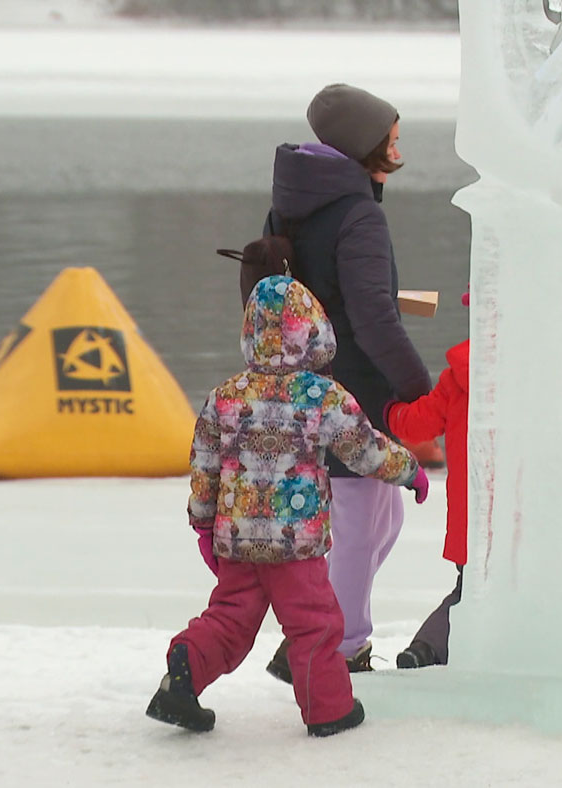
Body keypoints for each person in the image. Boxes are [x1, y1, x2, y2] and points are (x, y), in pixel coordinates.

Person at [145, 275, 429, 737]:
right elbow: (364, 450)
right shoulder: (321, 396)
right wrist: (409, 471)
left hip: (237, 540)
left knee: (230, 620)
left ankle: (185, 667)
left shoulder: (226, 397)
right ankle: (329, 710)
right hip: (295, 545)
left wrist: (203, 525)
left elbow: (204, 467)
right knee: (314, 624)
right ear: (312, 331)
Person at [262, 83, 434, 680]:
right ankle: (339, 648)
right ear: (368, 147)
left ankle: (315, 633)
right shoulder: (357, 213)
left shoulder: (294, 202)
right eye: (392, 139)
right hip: (353, 395)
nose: (398, 148)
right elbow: (372, 317)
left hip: (307, 383)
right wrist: (422, 393)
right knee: (362, 524)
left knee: (383, 520)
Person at [383, 290, 471, 669]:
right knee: (484, 594)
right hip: (524, 520)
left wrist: (386, 411)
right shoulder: (534, 381)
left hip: (472, 518)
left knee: (469, 591)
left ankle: (425, 648)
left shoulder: (458, 379)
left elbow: (418, 423)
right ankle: (430, 649)